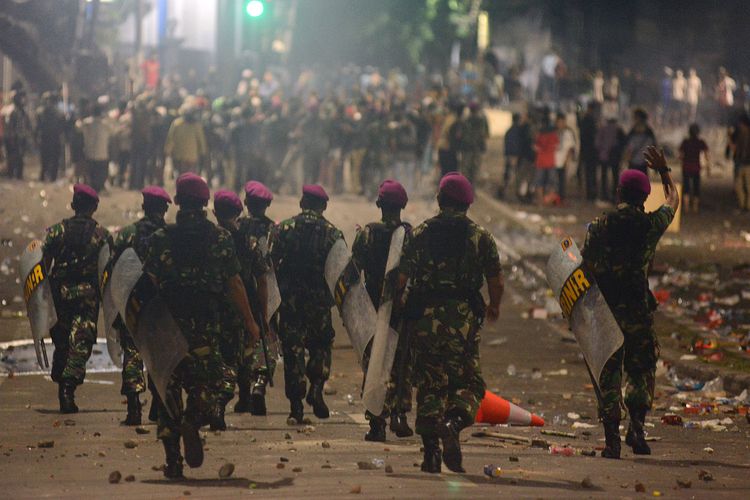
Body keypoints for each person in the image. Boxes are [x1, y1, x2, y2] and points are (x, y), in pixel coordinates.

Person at [143, 173, 260, 478]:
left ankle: (172, 461)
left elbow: (148, 285)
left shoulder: (160, 239)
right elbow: (234, 282)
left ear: (178, 202)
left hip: (168, 327)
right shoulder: (220, 238)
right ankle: (194, 420)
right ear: (206, 204)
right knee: (214, 385)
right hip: (206, 328)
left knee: (167, 389)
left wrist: (140, 329)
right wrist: (250, 322)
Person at [398, 172, 503, 473]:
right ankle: (453, 423)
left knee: (429, 384)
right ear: (468, 205)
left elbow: (400, 280)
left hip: (425, 321)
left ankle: (430, 454)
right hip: (463, 323)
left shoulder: (419, 234)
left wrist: (401, 309)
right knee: (469, 382)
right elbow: (495, 281)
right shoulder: (480, 237)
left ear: (439, 200)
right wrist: (493, 306)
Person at [582, 147, 679, 460]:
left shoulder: (599, 226)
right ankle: (636, 427)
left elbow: (585, 267)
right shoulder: (650, 225)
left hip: (605, 311)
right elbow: (673, 201)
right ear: (644, 197)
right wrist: (664, 171)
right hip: (637, 309)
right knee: (640, 369)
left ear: (619, 192)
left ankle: (612, 440)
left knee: (608, 371)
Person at [270, 185, 343, 425]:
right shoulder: (333, 234)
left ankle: (296, 407)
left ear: (302, 203)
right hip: (319, 302)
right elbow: (340, 273)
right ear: (323, 206)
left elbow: (270, 267)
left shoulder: (283, 229)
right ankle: (317, 387)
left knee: (293, 350)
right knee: (321, 345)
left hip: (290, 301)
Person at [351, 180, 413, 442]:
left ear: (379, 205)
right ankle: (399, 413)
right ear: (402, 206)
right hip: (400, 307)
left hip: (373, 305)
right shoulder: (409, 235)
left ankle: (376, 422)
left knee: (375, 362)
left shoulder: (367, 234)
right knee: (401, 361)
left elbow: (354, 269)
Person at [43, 184, 113, 413]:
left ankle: (61, 378)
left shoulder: (55, 232)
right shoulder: (102, 236)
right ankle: (68, 388)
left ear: (73, 205)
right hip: (86, 298)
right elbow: (108, 271)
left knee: (62, 341)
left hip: (59, 297)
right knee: (80, 344)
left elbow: (42, 268)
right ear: (94, 207)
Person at [111, 186, 172, 425]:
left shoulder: (127, 234)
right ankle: (158, 406)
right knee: (159, 356)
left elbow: (115, 271)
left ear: (144, 207)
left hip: (132, 302)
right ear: (165, 209)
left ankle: (134, 409)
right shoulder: (170, 236)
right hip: (160, 306)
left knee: (133, 354)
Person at [211, 189, 268, 430]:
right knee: (242, 355)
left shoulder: (209, 238)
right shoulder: (248, 241)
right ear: (239, 212)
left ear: (214, 212)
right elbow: (262, 278)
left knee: (219, 358)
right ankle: (240, 397)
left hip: (213, 309)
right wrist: (260, 316)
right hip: (242, 306)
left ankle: (218, 403)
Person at [235, 181, 276, 415]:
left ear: (246, 203)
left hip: (241, 294)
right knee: (266, 340)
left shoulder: (237, 227)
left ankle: (243, 395)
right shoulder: (275, 231)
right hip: (267, 292)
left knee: (243, 343)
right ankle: (259, 387)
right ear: (267, 205)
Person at [80, 104, 114, 192]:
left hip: (89, 153)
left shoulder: (86, 123)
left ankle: (91, 188)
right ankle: (98, 188)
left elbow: (78, 128)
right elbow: (113, 131)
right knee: (100, 175)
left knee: (91, 174)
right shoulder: (105, 124)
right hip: (102, 154)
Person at [164, 106, 207, 176]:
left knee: (181, 175)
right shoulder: (197, 125)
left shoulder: (176, 123)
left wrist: (167, 150)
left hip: (179, 155)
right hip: (192, 156)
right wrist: (203, 152)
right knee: (191, 175)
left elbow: (170, 138)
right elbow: (201, 140)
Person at [679, 124, 710, 213]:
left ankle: (686, 207)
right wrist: (708, 166)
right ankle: (695, 208)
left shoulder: (685, 142)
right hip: (696, 167)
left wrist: (683, 159)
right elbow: (706, 154)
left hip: (686, 167)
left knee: (686, 187)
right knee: (696, 187)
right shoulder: (701, 142)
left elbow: (681, 155)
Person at [36, 92, 66, 182]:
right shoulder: (60, 112)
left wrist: (36, 136)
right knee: (55, 158)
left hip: (45, 137)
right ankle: (53, 177)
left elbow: (38, 126)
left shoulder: (41, 111)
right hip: (55, 138)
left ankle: (43, 175)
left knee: (45, 157)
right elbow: (63, 126)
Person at [2, 90, 32, 179]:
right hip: (12, 138)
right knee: (12, 156)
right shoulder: (11, 111)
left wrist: (28, 134)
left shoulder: (22, 111)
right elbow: (9, 125)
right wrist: (11, 137)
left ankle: (19, 174)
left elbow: (27, 123)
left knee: (20, 156)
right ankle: (11, 174)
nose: (22, 100)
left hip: (21, 137)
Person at [595, 116, 625, 203]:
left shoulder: (602, 129)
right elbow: (624, 142)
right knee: (615, 176)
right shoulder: (618, 130)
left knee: (604, 176)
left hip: (603, 156)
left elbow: (597, 143)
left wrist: (602, 150)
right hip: (614, 156)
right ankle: (615, 195)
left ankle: (604, 194)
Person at [459, 102, 489, 184]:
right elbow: (486, 134)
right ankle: (472, 190)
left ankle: (465, 189)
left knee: (466, 170)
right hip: (477, 148)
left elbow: (460, 134)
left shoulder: (465, 120)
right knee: (475, 170)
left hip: (467, 148)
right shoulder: (483, 119)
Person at [533, 112, 558, 203]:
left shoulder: (539, 135)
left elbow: (535, 147)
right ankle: (548, 200)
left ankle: (540, 200)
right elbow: (556, 146)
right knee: (552, 183)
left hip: (540, 161)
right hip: (551, 161)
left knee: (539, 182)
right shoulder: (553, 135)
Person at [623, 108, 656, 173]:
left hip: (635, 161)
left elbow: (627, 145)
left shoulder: (633, 131)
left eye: (635, 117)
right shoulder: (649, 131)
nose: (633, 119)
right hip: (642, 161)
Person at [578, 102, 599, 201]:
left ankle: (589, 194)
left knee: (588, 173)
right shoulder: (592, 121)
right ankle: (591, 194)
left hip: (586, 151)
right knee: (591, 174)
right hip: (592, 151)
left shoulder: (584, 120)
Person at [554, 112, 576, 204]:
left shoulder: (568, 133)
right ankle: (555, 197)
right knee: (554, 181)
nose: (560, 124)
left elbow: (571, 148)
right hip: (554, 160)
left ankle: (561, 198)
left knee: (562, 181)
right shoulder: (554, 132)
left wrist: (567, 160)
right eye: (559, 122)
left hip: (563, 160)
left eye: (562, 122)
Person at [732, 114, 750, 211]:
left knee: (747, 186)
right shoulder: (741, 135)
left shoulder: (744, 134)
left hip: (747, 164)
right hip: (741, 163)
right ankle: (744, 206)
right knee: (739, 186)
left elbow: (735, 149)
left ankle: (746, 206)